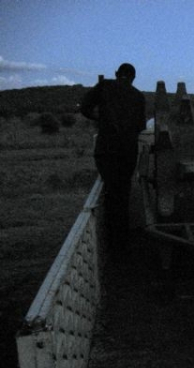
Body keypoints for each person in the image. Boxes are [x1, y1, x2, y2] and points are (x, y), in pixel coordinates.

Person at [81, 63, 146, 255]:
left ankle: (111, 245)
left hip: (106, 151)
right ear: (133, 77)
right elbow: (141, 126)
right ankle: (122, 245)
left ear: (117, 74)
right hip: (127, 152)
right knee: (122, 195)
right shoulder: (138, 96)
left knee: (110, 194)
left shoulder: (104, 86)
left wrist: (101, 119)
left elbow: (85, 108)